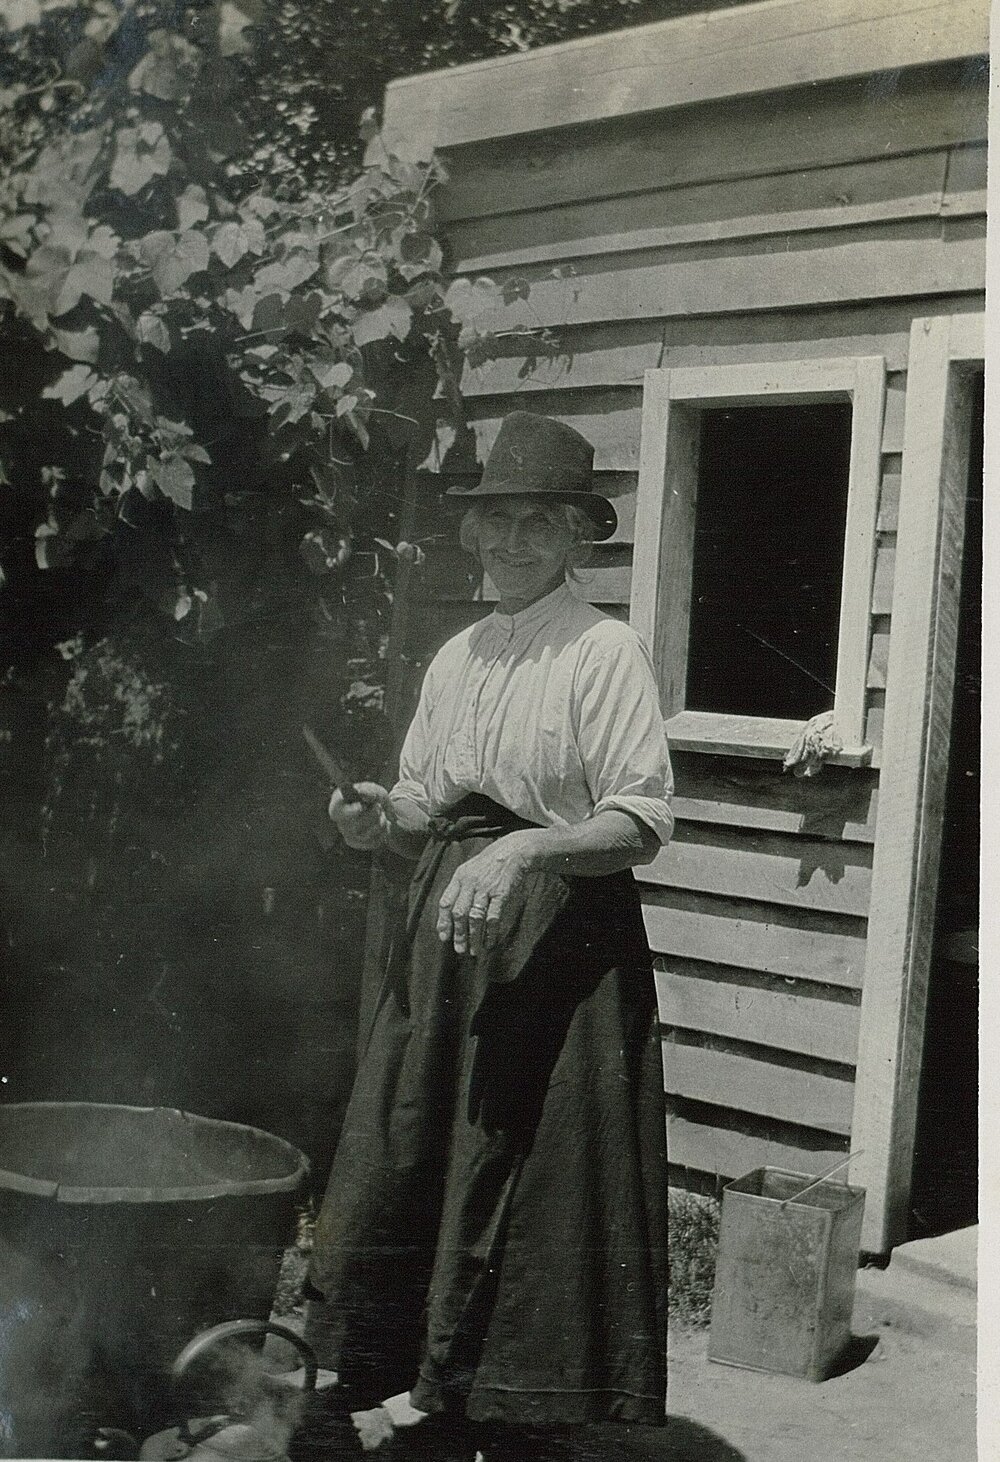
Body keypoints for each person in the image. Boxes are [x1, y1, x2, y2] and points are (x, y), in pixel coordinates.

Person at [303, 412, 673, 1461]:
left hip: (555, 936)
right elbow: (425, 805)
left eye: (535, 526)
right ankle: (414, 1380)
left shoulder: (602, 651)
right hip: (447, 928)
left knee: (521, 1159)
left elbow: (640, 820)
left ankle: (504, 1395)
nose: (509, 544)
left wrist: (521, 854)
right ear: (473, 536)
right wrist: (373, 820)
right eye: (495, 523)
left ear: (574, 539)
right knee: (419, 1138)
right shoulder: (455, 654)